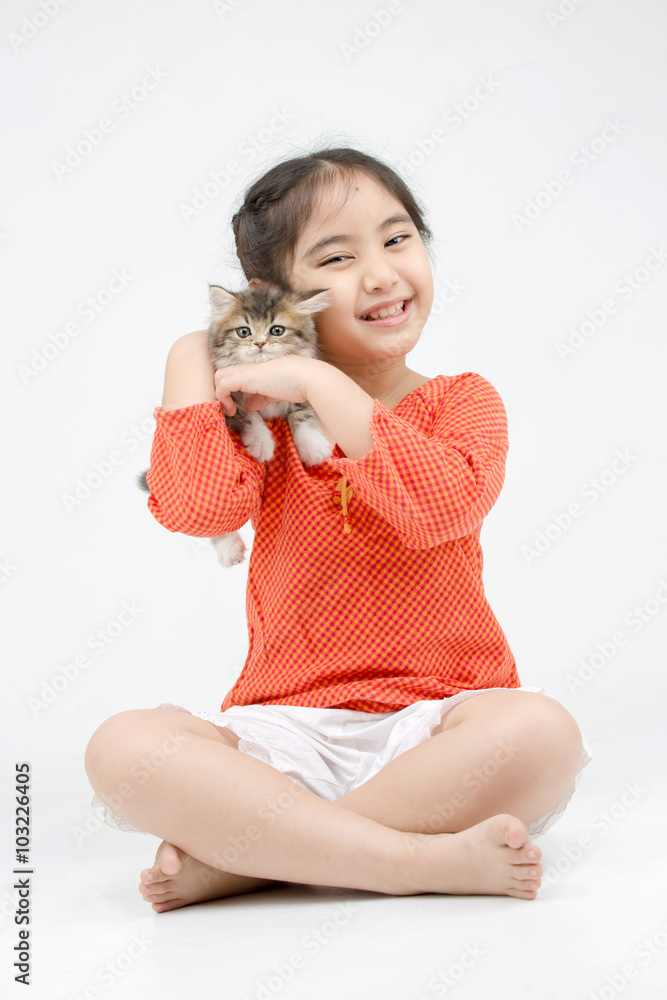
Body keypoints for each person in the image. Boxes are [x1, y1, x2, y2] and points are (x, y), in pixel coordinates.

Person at [84, 147, 592, 912]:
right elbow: (199, 510)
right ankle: (408, 861)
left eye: (396, 240)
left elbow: (440, 509)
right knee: (121, 747)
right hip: (283, 731)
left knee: (541, 730)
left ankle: (250, 865)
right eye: (337, 257)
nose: (382, 274)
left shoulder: (463, 401)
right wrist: (189, 353)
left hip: (440, 725)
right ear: (272, 300)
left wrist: (319, 380)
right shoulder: (258, 415)